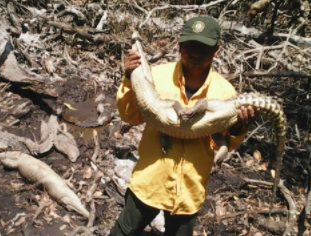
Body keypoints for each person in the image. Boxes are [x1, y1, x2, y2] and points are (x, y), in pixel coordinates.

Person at [110, 16, 259, 236]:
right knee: (123, 232)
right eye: (190, 47)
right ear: (180, 47)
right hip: (150, 181)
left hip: (189, 190)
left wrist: (239, 126)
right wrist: (129, 77)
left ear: (216, 50)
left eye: (204, 48)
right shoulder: (157, 76)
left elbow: (226, 141)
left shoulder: (226, 92)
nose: (196, 54)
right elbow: (129, 115)